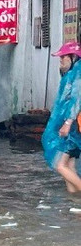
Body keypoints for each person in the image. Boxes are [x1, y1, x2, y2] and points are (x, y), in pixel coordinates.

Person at [43, 43, 81, 194]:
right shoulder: (72, 73)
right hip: (70, 127)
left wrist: (67, 123)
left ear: (73, 57)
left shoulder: (78, 73)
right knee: (69, 166)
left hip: (72, 128)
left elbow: (76, 99)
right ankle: (74, 201)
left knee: (60, 165)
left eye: (63, 57)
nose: (61, 60)